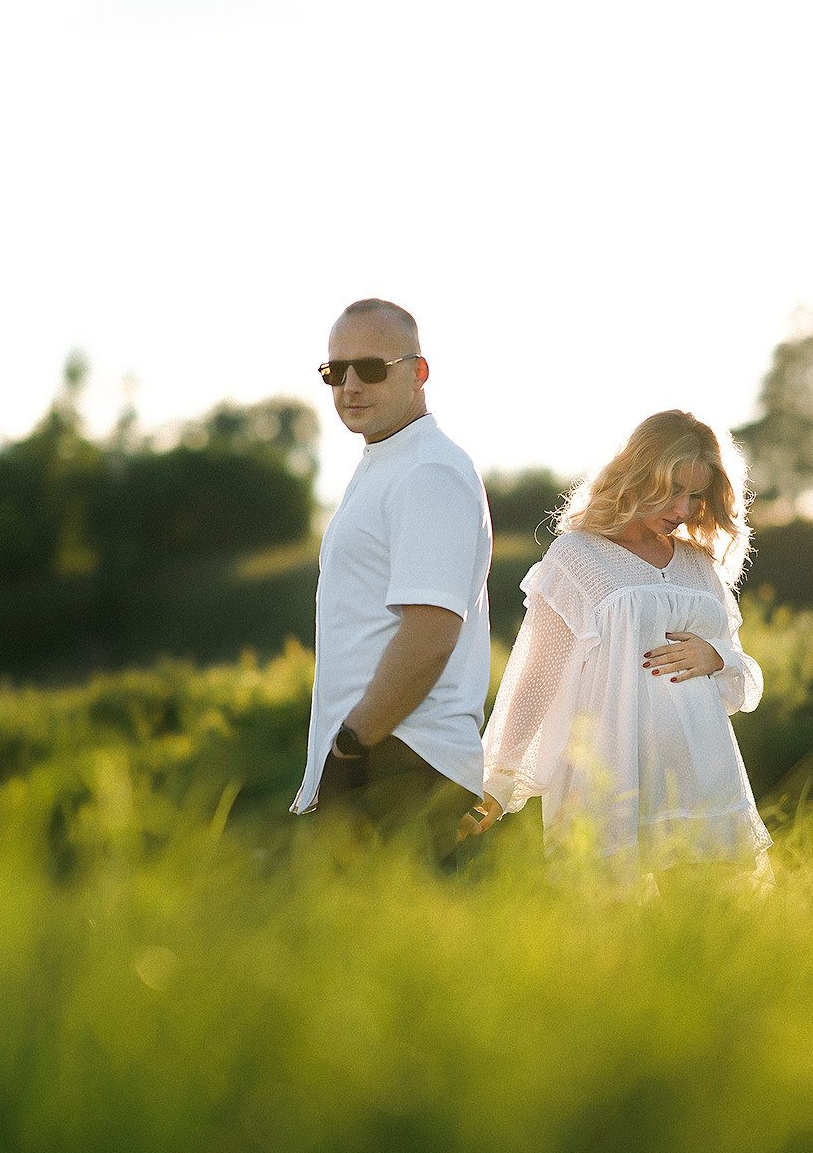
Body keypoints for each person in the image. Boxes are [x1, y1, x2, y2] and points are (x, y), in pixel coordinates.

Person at [466, 409, 769, 875]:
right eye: (672, 492)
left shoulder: (698, 565)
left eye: (695, 495)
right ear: (637, 475)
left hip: (704, 777)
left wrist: (715, 656)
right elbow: (536, 679)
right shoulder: (578, 557)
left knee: (714, 938)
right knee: (614, 940)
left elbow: (741, 678)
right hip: (610, 778)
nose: (683, 510)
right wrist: (497, 781)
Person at [291, 297, 492, 867]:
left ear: (419, 372)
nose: (351, 385)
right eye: (336, 372)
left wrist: (354, 742)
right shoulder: (390, 461)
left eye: (372, 368)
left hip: (403, 757)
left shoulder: (427, 470)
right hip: (384, 753)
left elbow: (430, 633)